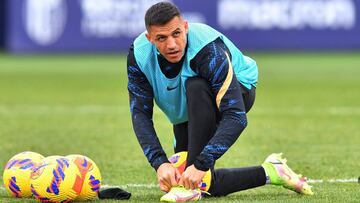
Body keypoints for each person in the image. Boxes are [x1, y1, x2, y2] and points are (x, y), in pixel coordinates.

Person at [127, 1, 313, 201]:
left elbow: (236, 117)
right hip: (188, 106)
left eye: (176, 34)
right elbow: (140, 114)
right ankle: (271, 172)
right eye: (161, 38)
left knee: (196, 86)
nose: (171, 44)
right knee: (203, 183)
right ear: (149, 39)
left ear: (186, 27)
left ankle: (190, 184)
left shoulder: (208, 51)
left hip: (239, 89)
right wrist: (160, 162)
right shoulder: (139, 55)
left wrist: (200, 164)